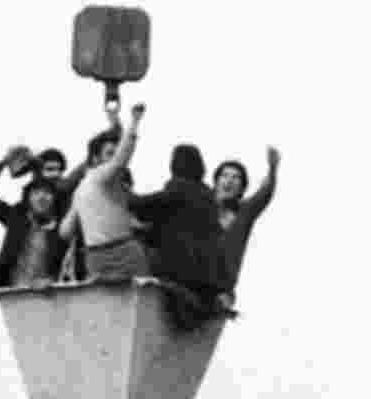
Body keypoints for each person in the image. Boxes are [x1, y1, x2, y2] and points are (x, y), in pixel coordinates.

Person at [128, 144, 232, 329]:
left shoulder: (179, 189)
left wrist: (120, 190)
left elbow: (143, 205)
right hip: (208, 271)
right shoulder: (206, 195)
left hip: (183, 267)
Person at [61, 104, 149, 280]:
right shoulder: (99, 176)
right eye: (110, 153)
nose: (115, 157)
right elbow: (120, 160)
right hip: (119, 254)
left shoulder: (80, 189)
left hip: (96, 257)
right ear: (95, 159)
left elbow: (65, 231)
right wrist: (134, 122)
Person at [0, 155, 69, 294]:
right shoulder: (16, 218)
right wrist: (3, 162)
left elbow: (69, 264)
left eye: (47, 193)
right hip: (13, 294)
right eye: (36, 193)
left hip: (51, 295)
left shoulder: (64, 226)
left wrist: (53, 279)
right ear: (28, 198)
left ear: (55, 199)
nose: (42, 197)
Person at [213, 147, 280, 293]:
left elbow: (264, 193)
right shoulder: (201, 206)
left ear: (242, 188)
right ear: (216, 182)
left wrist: (273, 169)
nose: (229, 181)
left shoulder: (244, 213)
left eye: (236, 177)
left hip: (221, 287)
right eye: (224, 176)